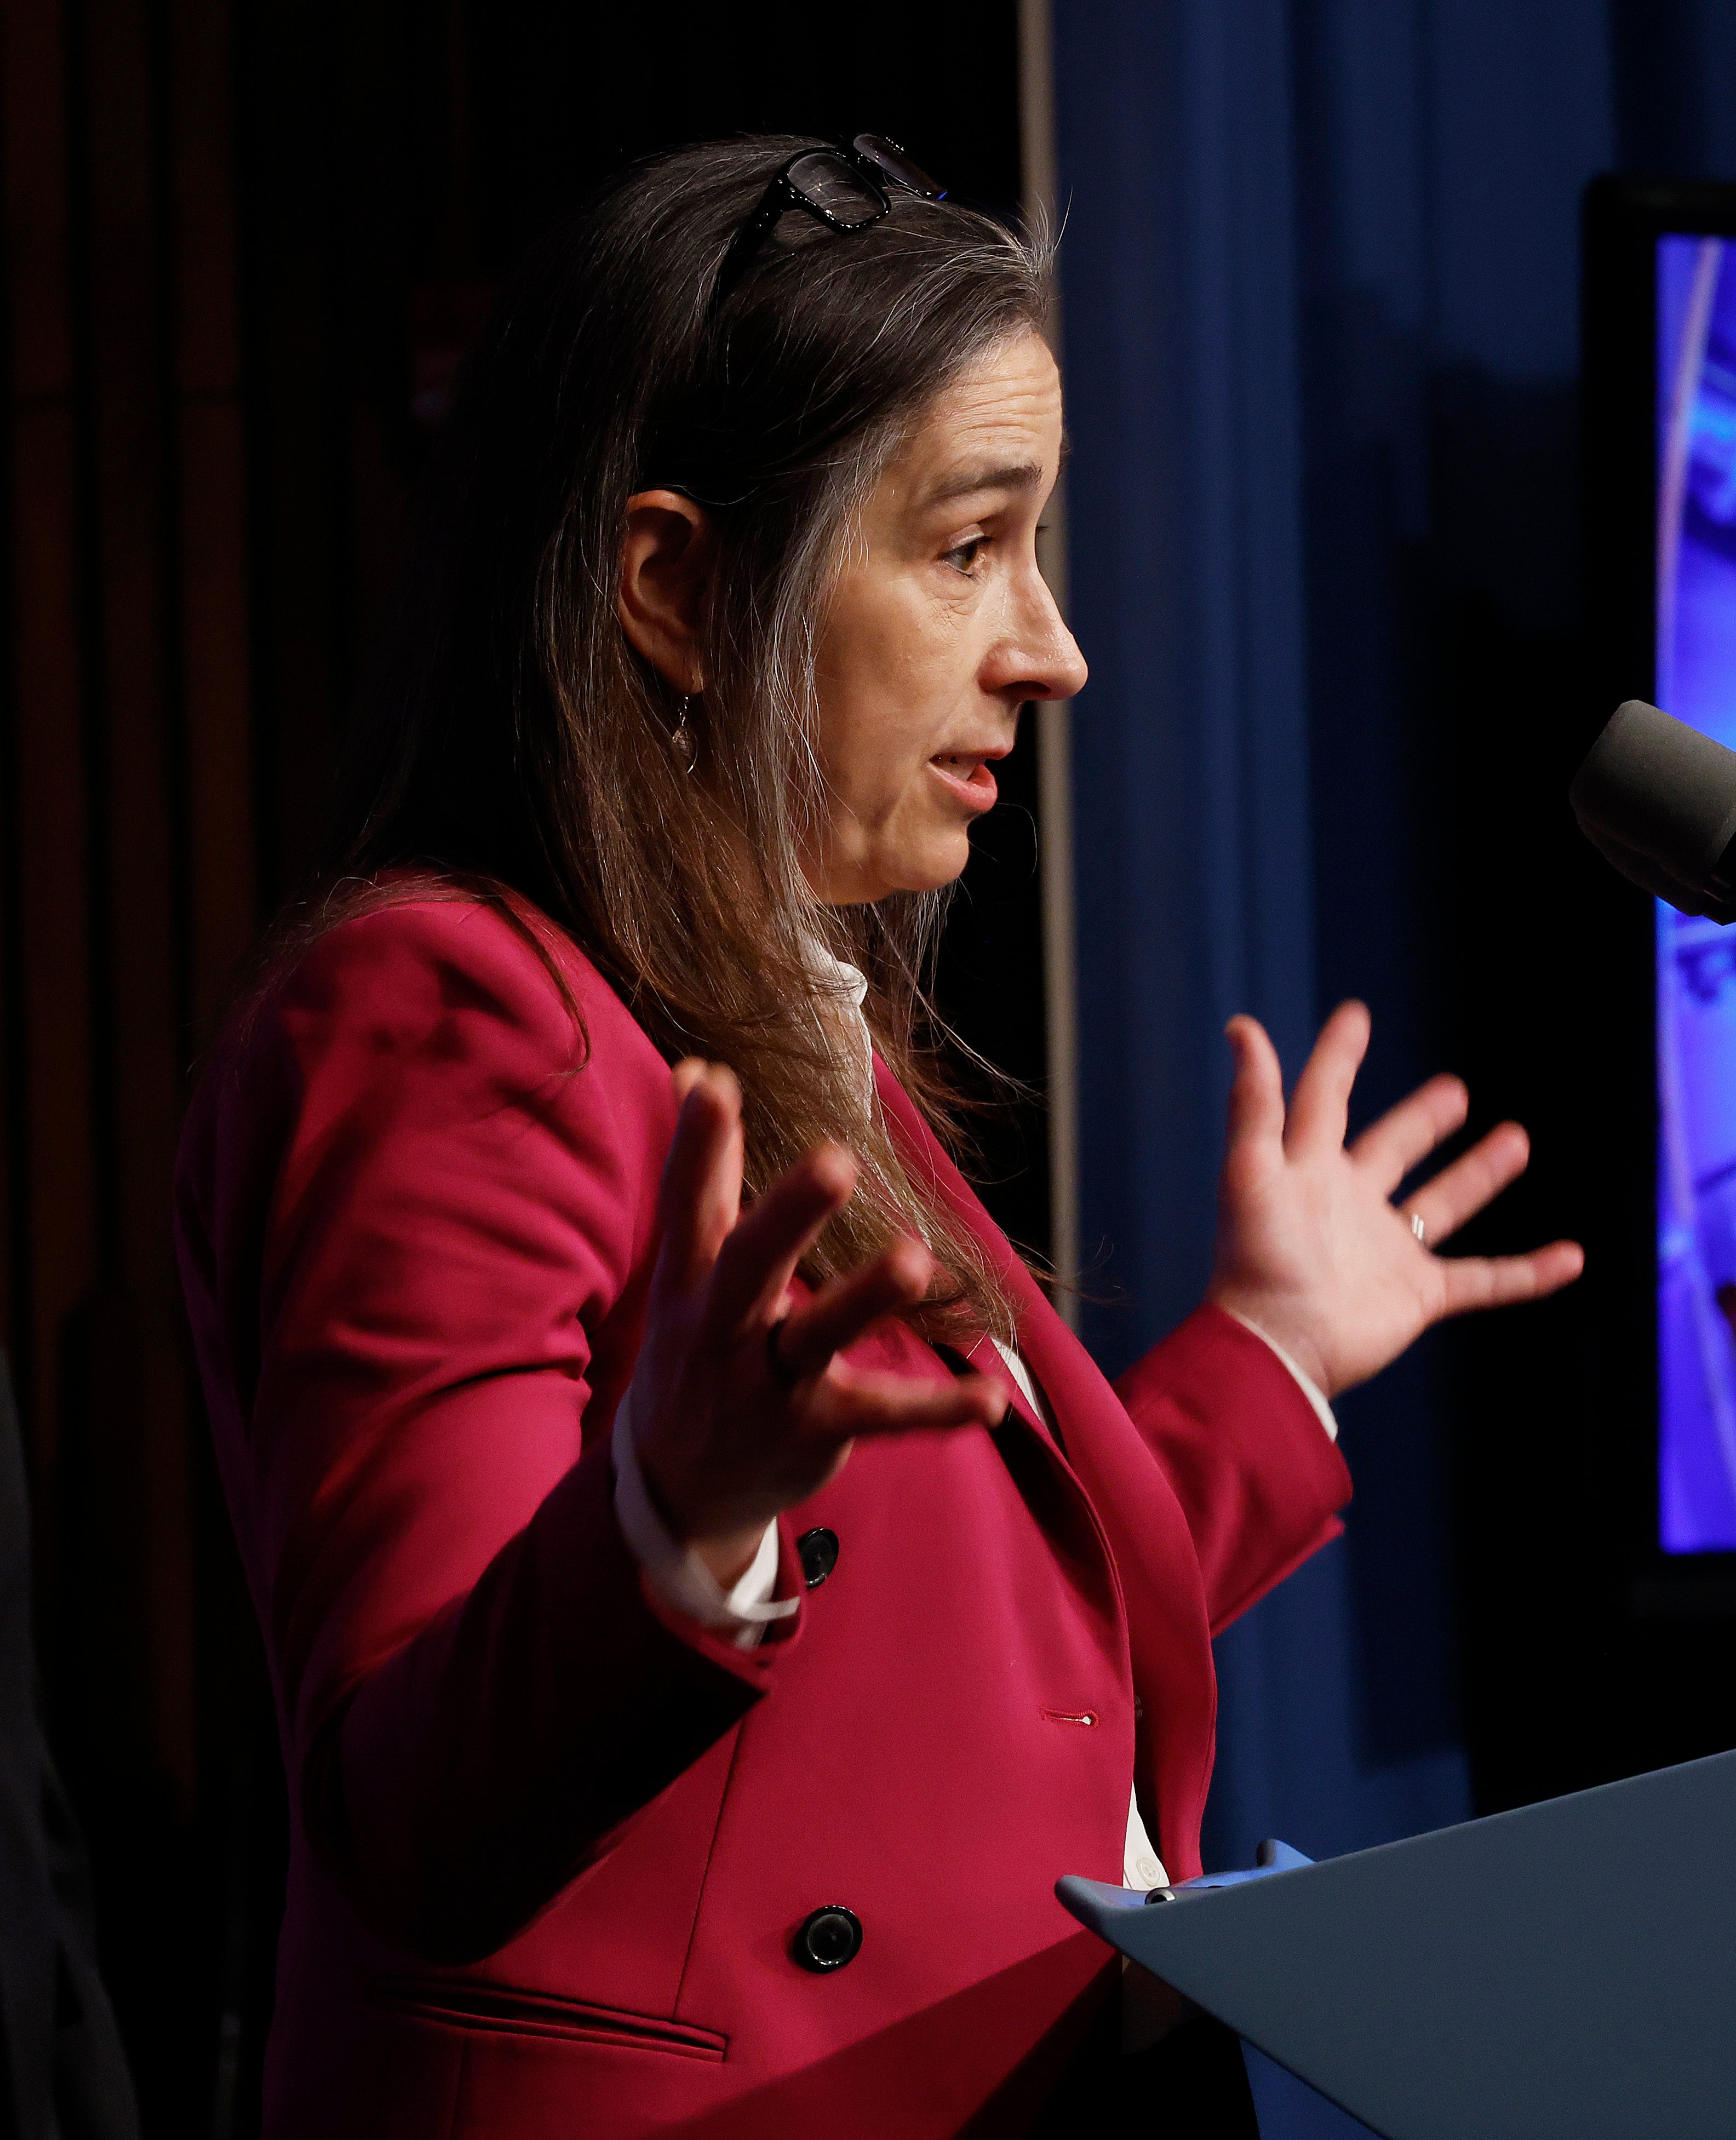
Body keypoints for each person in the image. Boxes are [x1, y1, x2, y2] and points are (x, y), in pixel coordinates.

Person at [172, 134, 1579, 2138]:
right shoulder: (440, 1014)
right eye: (963, 546)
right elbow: (407, 1795)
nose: (1052, 645)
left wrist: (1268, 1351)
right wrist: (663, 1521)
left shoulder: (758, 1006)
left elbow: (942, 1640)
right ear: (675, 582)